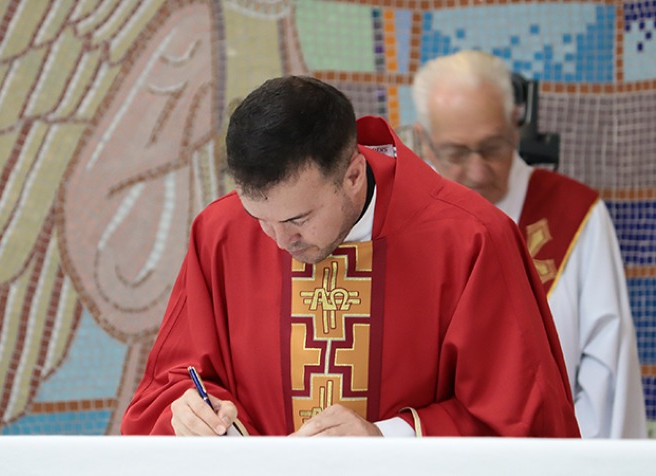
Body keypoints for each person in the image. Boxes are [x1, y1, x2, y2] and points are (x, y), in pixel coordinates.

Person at [121, 75, 580, 437]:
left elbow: (526, 423)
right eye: (260, 217)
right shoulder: (220, 232)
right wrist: (188, 413)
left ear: (354, 175)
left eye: (298, 219)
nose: (280, 242)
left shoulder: (473, 239)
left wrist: (388, 438)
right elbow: (169, 387)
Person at [412, 50, 647, 438]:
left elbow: (608, 367)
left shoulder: (574, 215)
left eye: (493, 147)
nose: (477, 170)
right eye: (456, 153)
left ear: (515, 127)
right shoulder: (406, 221)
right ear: (424, 142)